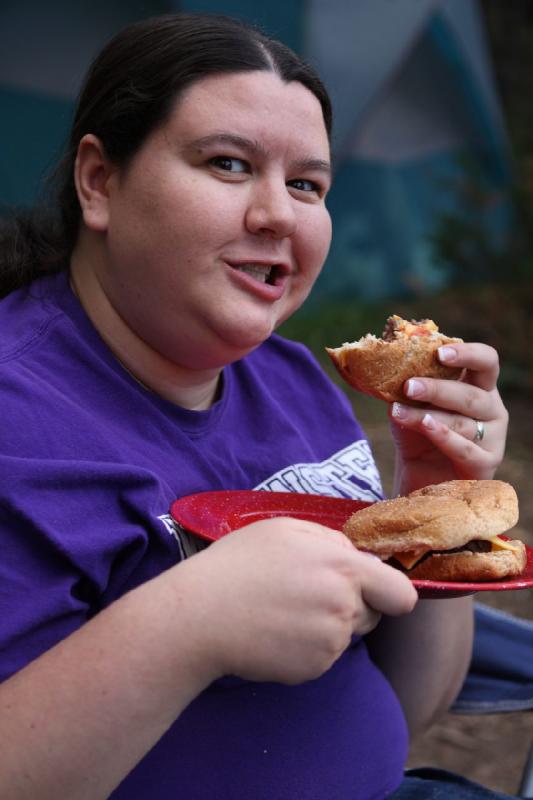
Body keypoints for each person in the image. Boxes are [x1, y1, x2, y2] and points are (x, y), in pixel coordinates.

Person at [0, 12, 515, 800]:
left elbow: (405, 707)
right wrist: (186, 625)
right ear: (99, 182)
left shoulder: (295, 382)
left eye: (307, 184)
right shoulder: (18, 416)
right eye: (229, 164)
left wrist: (434, 509)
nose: (278, 213)